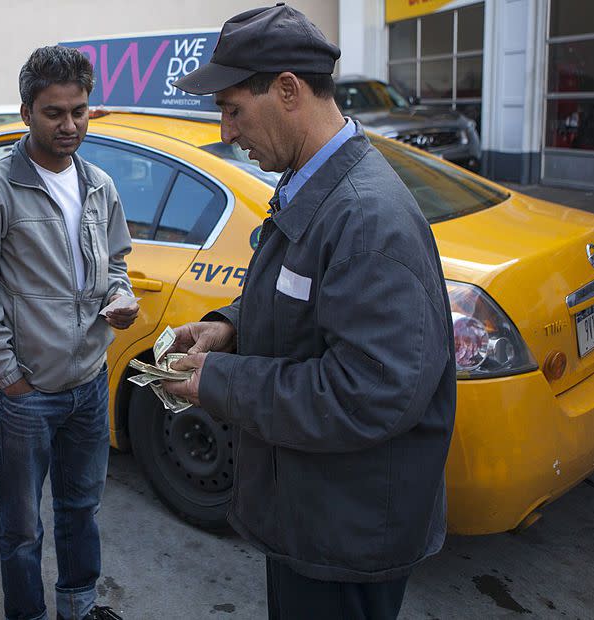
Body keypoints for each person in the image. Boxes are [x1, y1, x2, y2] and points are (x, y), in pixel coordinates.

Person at [162, 5, 457, 619]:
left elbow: (371, 390)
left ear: (289, 91)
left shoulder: (368, 217)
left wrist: (219, 380)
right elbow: (305, 295)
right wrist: (231, 326)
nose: (226, 132)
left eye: (232, 108)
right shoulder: (312, 184)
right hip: (314, 517)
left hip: (345, 538)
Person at [0, 46, 136, 620]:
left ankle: (78, 607)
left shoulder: (99, 184)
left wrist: (119, 297)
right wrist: (8, 378)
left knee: (82, 508)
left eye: (79, 111)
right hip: (28, 392)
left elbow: (118, 262)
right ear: (26, 110)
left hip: (88, 382)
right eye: (54, 112)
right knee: (22, 528)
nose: (70, 125)